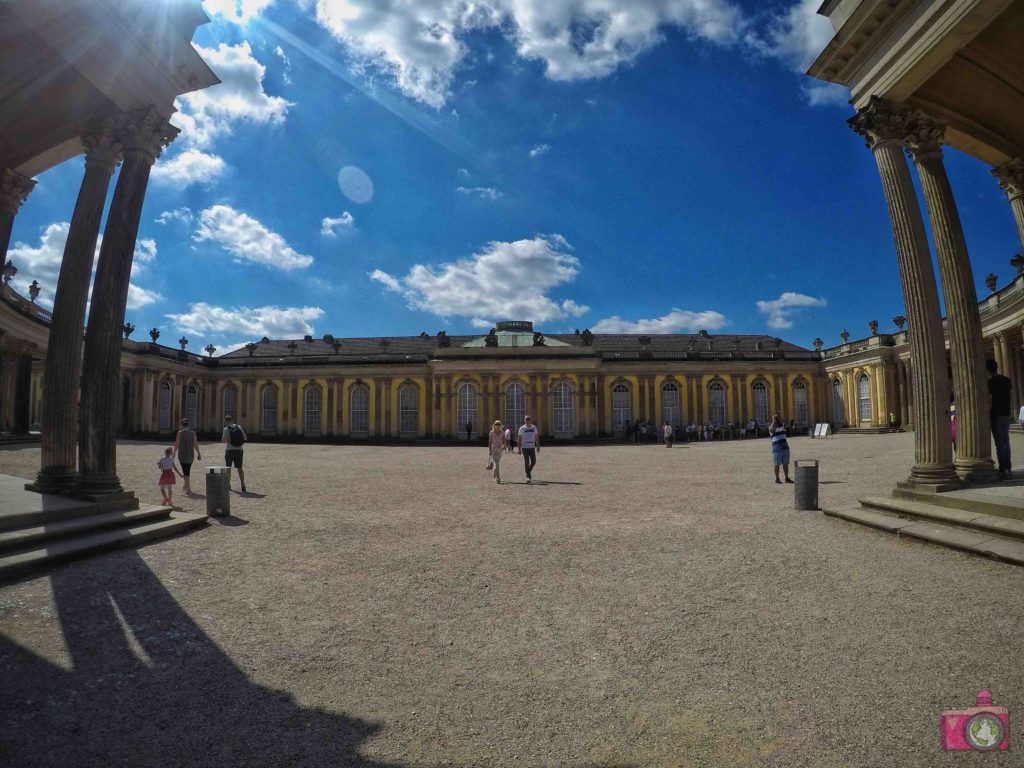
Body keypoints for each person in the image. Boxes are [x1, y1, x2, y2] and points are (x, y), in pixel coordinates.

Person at [987, 359, 1012, 476]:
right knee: (1006, 441)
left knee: (999, 443)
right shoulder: (1006, 380)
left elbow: (990, 400)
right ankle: (1008, 465)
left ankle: (1003, 467)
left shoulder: (990, 383)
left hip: (996, 415)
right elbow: (1009, 396)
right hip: (1006, 414)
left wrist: (988, 413)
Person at [173, 418, 202, 495]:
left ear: (181, 425)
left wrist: (174, 453)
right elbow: (196, 444)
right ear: (188, 425)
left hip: (182, 455)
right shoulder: (192, 433)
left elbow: (177, 444)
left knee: (185, 471)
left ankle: (188, 489)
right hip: (190, 455)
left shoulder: (180, 433)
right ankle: (185, 485)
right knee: (187, 470)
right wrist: (199, 453)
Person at [222, 415, 247, 492]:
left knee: (228, 468)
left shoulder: (226, 429)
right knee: (239, 468)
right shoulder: (238, 426)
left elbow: (224, 440)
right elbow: (245, 437)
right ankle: (242, 483)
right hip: (239, 450)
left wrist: (229, 440)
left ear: (225, 421)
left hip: (230, 450)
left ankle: (228, 485)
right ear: (232, 420)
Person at [768, 412, 793, 484]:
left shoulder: (782, 427)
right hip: (777, 448)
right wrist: (774, 420)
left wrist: (780, 419)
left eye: (778, 418)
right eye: (777, 419)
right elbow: (772, 429)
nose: (778, 420)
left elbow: (787, 426)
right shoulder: (771, 428)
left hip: (785, 448)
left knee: (786, 464)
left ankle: (786, 477)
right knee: (777, 464)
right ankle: (777, 478)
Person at [518, 415, 540, 483]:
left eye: (529, 419)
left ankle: (528, 471)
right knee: (526, 462)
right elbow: (519, 439)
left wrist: (538, 446)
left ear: (531, 420)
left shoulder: (534, 427)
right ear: (524, 420)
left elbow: (536, 437)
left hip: (532, 447)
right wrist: (519, 448)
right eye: (526, 419)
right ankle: (528, 476)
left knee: (534, 461)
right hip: (525, 447)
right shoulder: (522, 428)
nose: (528, 420)